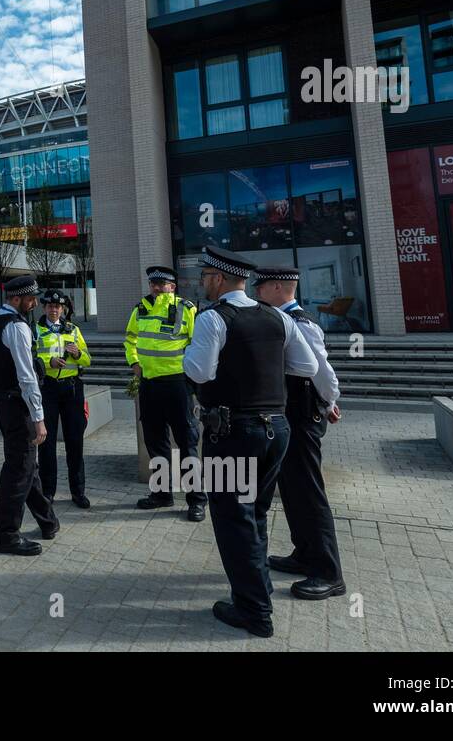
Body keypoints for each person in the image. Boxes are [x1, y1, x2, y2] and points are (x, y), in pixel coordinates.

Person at [183, 246, 317, 638]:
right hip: (277, 428)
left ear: (219, 279)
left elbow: (201, 372)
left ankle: (254, 610)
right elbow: (307, 366)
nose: (203, 282)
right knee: (254, 513)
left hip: (233, 431)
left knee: (232, 519)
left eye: (206, 276)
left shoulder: (213, 319)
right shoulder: (276, 317)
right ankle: (259, 591)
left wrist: (189, 353)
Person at [254, 266, 346, 601]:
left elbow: (324, 373)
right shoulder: (281, 319)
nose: (256, 292)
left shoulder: (300, 322)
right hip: (288, 414)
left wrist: (328, 402)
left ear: (278, 287)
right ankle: (304, 553)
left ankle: (328, 572)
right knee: (291, 489)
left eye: (261, 287)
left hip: (302, 417)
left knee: (309, 493)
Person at [0, 275, 59, 556]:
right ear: (16, 299)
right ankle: (6, 534)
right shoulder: (17, 327)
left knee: (26, 464)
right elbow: (28, 377)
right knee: (18, 469)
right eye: (31, 299)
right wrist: (39, 417)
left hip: (3, 401)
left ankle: (48, 521)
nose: (35, 303)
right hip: (18, 404)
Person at [126, 265, 206, 521]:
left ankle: (196, 500)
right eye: (153, 284)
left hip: (177, 384)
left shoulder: (187, 309)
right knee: (155, 442)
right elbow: (130, 339)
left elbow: (197, 344)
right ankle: (162, 494)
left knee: (187, 442)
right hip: (150, 384)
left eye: (162, 284)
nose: (157, 288)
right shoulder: (140, 309)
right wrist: (134, 363)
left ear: (173, 286)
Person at [34, 289, 93, 509]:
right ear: (44, 308)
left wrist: (78, 354)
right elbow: (31, 359)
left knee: (75, 441)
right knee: (46, 443)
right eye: (50, 306)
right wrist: (49, 362)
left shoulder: (74, 330)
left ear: (63, 309)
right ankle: (48, 491)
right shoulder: (36, 330)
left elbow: (87, 360)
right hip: (47, 389)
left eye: (57, 307)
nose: (54, 310)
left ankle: (78, 492)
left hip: (72, 389)